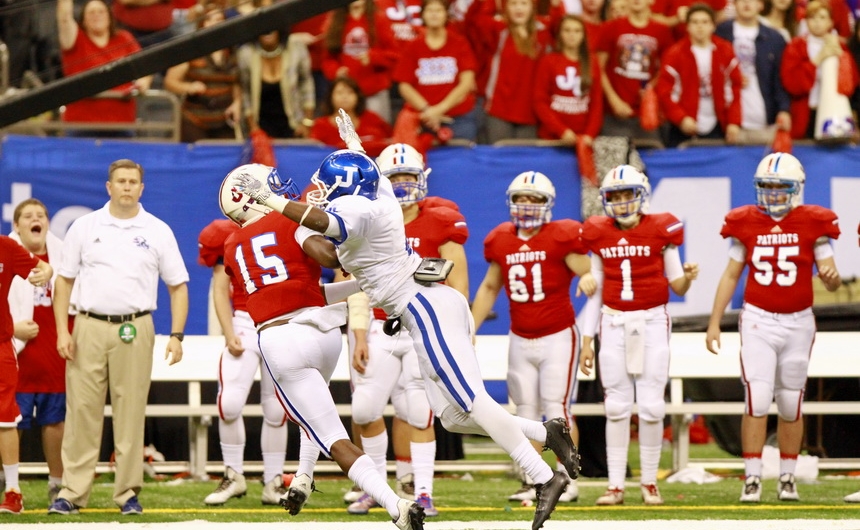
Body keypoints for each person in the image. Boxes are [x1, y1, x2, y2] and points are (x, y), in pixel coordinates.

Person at [230, 109, 581, 530]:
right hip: (419, 306)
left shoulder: (361, 210)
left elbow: (325, 222)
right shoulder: (374, 192)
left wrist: (269, 200)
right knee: (452, 416)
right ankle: (547, 433)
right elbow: (368, 174)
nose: (318, 192)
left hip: (423, 306)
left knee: (470, 401)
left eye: (326, 186)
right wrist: (354, 145)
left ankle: (544, 476)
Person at [217, 165, 423, 529]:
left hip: (281, 338)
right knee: (316, 415)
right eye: (271, 185)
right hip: (324, 332)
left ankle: (395, 506)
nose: (280, 189)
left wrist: (363, 276)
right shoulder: (286, 221)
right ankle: (304, 476)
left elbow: (283, 293)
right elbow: (325, 263)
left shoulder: (233, 246)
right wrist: (370, 269)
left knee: (329, 432)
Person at [48, 159, 190, 516]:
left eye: (133, 182)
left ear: (141, 189)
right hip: (88, 325)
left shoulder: (157, 230)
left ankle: (127, 493)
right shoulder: (85, 226)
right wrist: (63, 330)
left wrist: (176, 335)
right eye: (120, 181)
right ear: (108, 187)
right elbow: (63, 280)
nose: (126, 187)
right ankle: (72, 491)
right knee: (81, 411)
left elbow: (178, 286)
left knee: (130, 412)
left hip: (136, 325)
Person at [704, 152, 841, 503]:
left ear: (796, 190)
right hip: (758, 319)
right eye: (767, 187)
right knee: (758, 397)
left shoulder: (815, 222)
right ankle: (752, 477)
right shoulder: (746, 222)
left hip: (798, 321)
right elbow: (731, 274)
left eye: (781, 188)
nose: (774, 194)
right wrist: (715, 321)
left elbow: (832, 279)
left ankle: (787, 476)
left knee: (792, 402)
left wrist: (831, 276)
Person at [344, 142, 469, 517]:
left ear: (422, 180)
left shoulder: (441, 220)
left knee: (418, 409)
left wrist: (455, 331)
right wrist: (360, 333)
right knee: (364, 408)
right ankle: (378, 488)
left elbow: (458, 285)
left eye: (407, 177)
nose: (401, 186)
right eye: (393, 178)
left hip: (422, 328)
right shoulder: (370, 221)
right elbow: (356, 284)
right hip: (382, 326)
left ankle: (425, 492)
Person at [470, 171, 596, 505]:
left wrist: (587, 279)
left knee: (558, 408)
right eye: (521, 199)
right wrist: (470, 327)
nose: (526, 205)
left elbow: (588, 270)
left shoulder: (561, 235)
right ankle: (533, 479)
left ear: (548, 204)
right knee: (524, 410)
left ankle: (567, 477)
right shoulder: (501, 239)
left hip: (558, 335)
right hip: (521, 336)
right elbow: (490, 286)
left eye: (534, 199)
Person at [578, 164, 699, 506]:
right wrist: (587, 341)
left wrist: (688, 277)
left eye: (626, 194)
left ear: (641, 195)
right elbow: (598, 291)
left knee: (650, 405)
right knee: (615, 406)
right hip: (613, 321)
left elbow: (676, 284)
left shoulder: (661, 229)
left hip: (652, 321)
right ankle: (616, 484)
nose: (620, 202)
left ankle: (648, 481)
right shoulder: (598, 233)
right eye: (613, 196)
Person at [196, 219, 290, 506]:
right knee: (230, 404)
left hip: (280, 322)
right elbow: (220, 287)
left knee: (277, 409)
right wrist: (228, 332)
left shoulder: (287, 225)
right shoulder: (226, 233)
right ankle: (234, 474)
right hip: (245, 322)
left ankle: (273, 480)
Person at [7, 200, 68, 506]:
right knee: (10, 422)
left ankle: (57, 485)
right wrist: (11, 328)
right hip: (16, 352)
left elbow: (75, 298)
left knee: (55, 421)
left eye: (41, 215)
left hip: (53, 352)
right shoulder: (6, 254)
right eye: (28, 216)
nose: (36, 219)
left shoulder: (63, 255)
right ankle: (11, 485)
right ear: (16, 225)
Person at [0, 235, 52, 515]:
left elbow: (43, 267)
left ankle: (13, 492)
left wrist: (44, 272)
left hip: (1, 346)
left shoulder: (5, 247)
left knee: (5, 418)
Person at [56, 0, 153, 134]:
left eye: (101, 11)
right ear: (83, 20)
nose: (97, 15)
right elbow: (64, 18)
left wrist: (144, 81)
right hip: (82, 126)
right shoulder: (76, 39)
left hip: (122, 124)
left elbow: (144, 67)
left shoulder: (124, 38)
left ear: (110, 17)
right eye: (91, 12)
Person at [655, 4, 743, 147]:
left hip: (718, 125)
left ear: (713, 26)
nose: (700, 26)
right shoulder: (674, 54)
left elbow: (735, 89)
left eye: (704, 22)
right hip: (683, 127)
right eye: (695, 22)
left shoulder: (725, 51)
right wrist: (681, 118)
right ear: (687, 26)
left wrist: (734, 122)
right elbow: (665, 91)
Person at [392, 0, 479, 142]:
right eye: (430, 10)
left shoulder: (460, 43)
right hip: (422, 119)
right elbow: (404, 86)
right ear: (423, 15)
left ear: (446, 15)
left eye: (438, 10)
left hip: (459, 118)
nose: (434, 14)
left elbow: (467, 83)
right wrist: (428, 111)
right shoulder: (413, 47)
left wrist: (439, 109)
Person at [471, 0, 557, 143]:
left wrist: (555, 6)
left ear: (532, 7)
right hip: (499, 110)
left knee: (526, 163)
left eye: (524, 3)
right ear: (506, 7)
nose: (519, 8)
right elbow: (478, 19)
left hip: (531, 113)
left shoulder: (543, 32)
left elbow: (561, 24)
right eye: (513, 3)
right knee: (498, 161)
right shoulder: (498, 31)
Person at [714, 0, 792, 145]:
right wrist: (733, 78)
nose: (746, 3)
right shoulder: (719, 33)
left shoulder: (775, 39)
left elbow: (780, 79)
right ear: (734, 4)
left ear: (761, 5)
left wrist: (784, 109)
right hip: (725, 122)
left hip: (763, 119)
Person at [595, 0, 673, 142]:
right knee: (614, 163)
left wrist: (650, 89)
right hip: (614, 114)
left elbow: (665, 68)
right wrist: (614, 100)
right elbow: (598, 68)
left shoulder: (662, 31)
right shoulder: (610, 27)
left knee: (650, 160)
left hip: (646, 115)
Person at [780, 0, 859, 139]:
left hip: (833, 115)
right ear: (806, 21)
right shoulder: (795, 46)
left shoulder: (840, 48)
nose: (817, 22)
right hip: (805, 115)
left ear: (830, 22)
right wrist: (818, 59)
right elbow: (792, 84)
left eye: (822, 18)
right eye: (812, 17)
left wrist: (842, 59)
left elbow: (850, 85)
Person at [163, 4, 242, 143]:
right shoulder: (191, 50)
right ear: (202, 24)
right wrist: (188, 87)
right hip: (195, 120)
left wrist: (237, 102)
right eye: (209, 20)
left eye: (219, 19)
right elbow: (170, 82)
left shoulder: (232, 52)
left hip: (223, 119)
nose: (214, 23)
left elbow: (235, 82)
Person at [237, 18, 316, 140]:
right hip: (261, 128)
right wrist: (252, 127)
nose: (267, 32)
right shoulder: (246, 54)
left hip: (294, 125)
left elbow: (307, 84)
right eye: (263, 28)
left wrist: (307, 122)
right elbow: (245, 91)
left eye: (271, 27)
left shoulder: (296, 48)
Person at [322, 0, 399, 123]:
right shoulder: (335, 21)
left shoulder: (379, 20)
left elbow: (394, 55)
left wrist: (373, 57)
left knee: (377, 130)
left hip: (373, 91)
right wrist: (335, 71)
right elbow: (328, 58)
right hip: (345, 92)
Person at [532, 14, 604, 145]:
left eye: (577, 31)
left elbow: (596, 103)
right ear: (560, 34)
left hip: (583, 139)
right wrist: (562, 131)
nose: (572, 35)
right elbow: (539, 101)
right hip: (551, 137)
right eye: (567, 30)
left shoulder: (592, 62)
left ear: (583, 35)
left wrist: (589, 134)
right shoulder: (548, 61)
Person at [311, 76, 392, 157]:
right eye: (339, 92)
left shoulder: (373, 119)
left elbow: (390, 141)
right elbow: (315, 153)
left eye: (350, 92)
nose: (345, 96)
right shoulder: (321, 125)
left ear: (358, 96)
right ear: (330, 97)